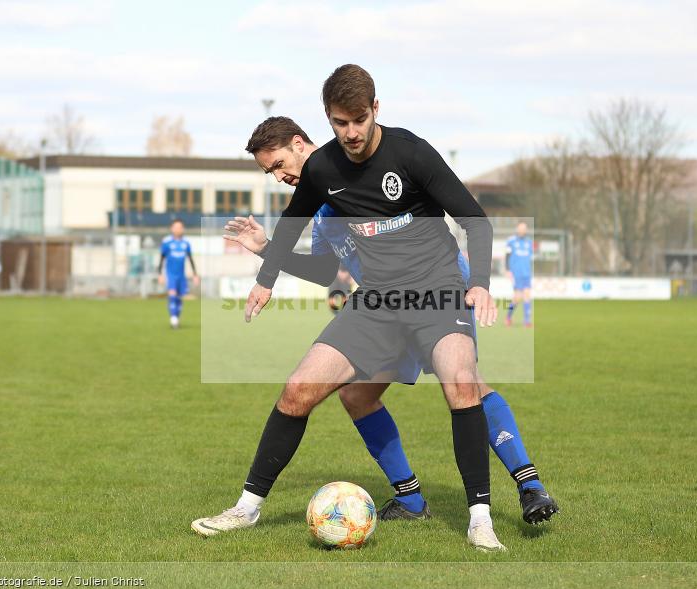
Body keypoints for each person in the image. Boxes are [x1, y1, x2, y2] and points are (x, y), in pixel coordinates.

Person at [193, 64, 505, 551]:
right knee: (297, 391)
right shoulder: (322, 171)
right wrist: (264, 280)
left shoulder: (411, 152)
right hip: (377, 300)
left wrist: (480, 284)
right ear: (328, 120)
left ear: (375, 109)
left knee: (461, 383)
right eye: (340, 123)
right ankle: (246, 509)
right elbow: (293, 226)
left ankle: (480, 520)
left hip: (436, 290)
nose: (351, 132)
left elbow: (476, 220)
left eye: (359, 119)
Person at [222, 116, 557, 526]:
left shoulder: (350, 170)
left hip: (438, 289)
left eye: (277, 165)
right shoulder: (322, 210)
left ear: (298, 144)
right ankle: (411, 500)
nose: (279, 177)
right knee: (357, 395)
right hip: (384, 306)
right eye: (269, 171)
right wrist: (267, 250)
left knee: (465, 384)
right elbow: (327, 271)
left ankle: (529, 485)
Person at [158, 219, 199, 329]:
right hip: (171, 274)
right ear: (172, 228)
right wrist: (160, 274)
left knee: (179, 297)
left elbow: (191, 259)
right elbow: (161, 259)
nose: (178, 229)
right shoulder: (167, 243)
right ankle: (173, 319)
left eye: (180, 227)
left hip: (181, 275)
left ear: (182, 229)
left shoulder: (186, 244)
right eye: (176, 227)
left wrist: (195, 275)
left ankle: (176, 317)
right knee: (172, 294)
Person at [505, 222, 533, 327]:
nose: (522, 230)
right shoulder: (511, 241)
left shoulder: (529, 242)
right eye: (520, 228)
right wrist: (507, 270)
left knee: (527, 295)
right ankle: (508, 317)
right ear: (517, 229)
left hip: (527, 273)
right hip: (516, 273)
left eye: (524, 228)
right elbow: (507, 256)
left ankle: (527, 321)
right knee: (517, 298)